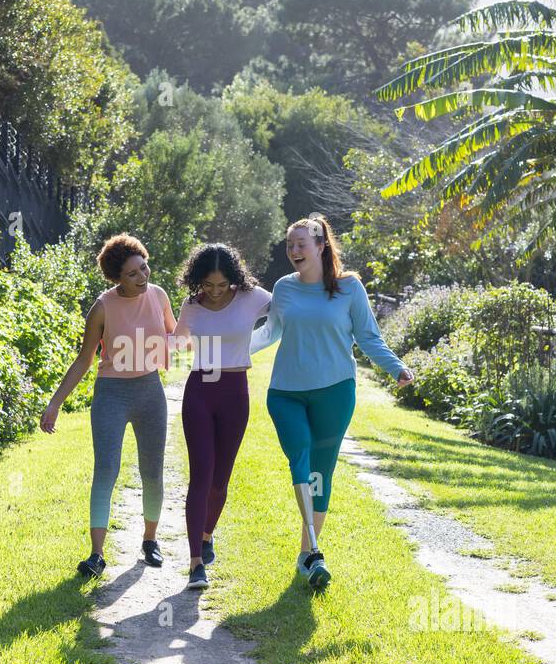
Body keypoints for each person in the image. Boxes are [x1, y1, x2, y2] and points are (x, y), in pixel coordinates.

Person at [251, 216, 414, 589]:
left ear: (322, 246)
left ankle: (308, 552)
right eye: (289, 245)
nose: (293, 251)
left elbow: (368, 337)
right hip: (286, 393)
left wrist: (396, 367)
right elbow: (269, 332)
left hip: (335, 392)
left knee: (321, 470)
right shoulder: (284, 288)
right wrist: (226, 351)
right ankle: (313, 553)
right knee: (300, 452)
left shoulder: (349, 288)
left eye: (300, 244)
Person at [41, 234, 174, 578]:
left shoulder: (159, 295)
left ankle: (149, 541)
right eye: (132, 274)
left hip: (150, 392)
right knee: (106, 472)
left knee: (152, 472)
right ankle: (97, 555)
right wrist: (55, 404)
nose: (143, 276)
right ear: (117, 278)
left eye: (144, 267)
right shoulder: (102, 307)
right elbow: (85, 359)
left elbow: (178, 337)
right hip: (111, 394)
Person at [172, 244, 271, 590]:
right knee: (201, 475)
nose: (214, 291)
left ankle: (207, 534)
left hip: (235, 391)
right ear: (197, 280)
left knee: (220, 480)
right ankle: (196, 562)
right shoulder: (192, 305)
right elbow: (176, 341)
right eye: (207, 284)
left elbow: (288, 311)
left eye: (221, 284)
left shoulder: (253, 297)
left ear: (234, 278)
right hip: (200, 388)